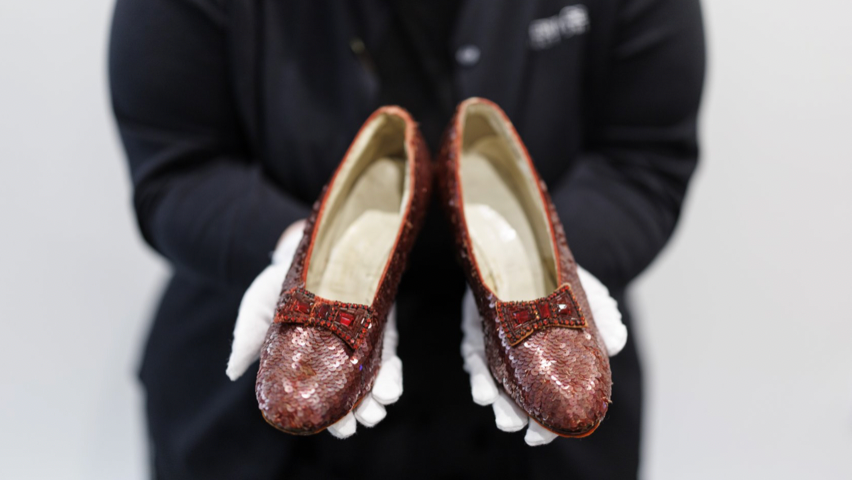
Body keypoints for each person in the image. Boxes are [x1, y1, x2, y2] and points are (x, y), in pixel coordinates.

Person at [109, 0, 705, 478]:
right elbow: (176, 165)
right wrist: (288, 247)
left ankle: (524, 262)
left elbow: (645, 157)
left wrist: (568, 258)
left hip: (537, 452)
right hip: (240, 431)